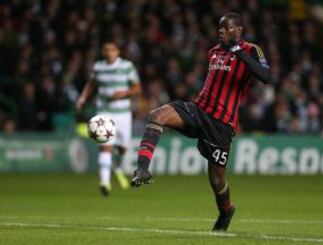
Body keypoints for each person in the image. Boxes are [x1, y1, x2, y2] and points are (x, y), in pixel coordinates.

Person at [130, 12, 271, 231]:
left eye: (226, 27)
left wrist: (238, 52)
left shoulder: (252, 50)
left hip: (221, 124)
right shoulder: (213, 52)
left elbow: (266, 76)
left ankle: (226, 210)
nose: (221, 31)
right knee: (156, 115)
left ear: (239, 29)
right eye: (220, 28)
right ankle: (142, 169)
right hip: (198, 110)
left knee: (216, 180)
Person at [76, 40, 141, 196]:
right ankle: (104, 182)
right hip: (104, 112)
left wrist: (124, 94)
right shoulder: (98, 67)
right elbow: (91, 83)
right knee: (106, 145)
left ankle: (117, 166)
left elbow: (137, 87)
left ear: (117, 52)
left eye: (112, 49)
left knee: (123, 148)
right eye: (106, 49)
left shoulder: (127, 66)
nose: (108, 52)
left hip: (123, 112)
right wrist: (83, 97)